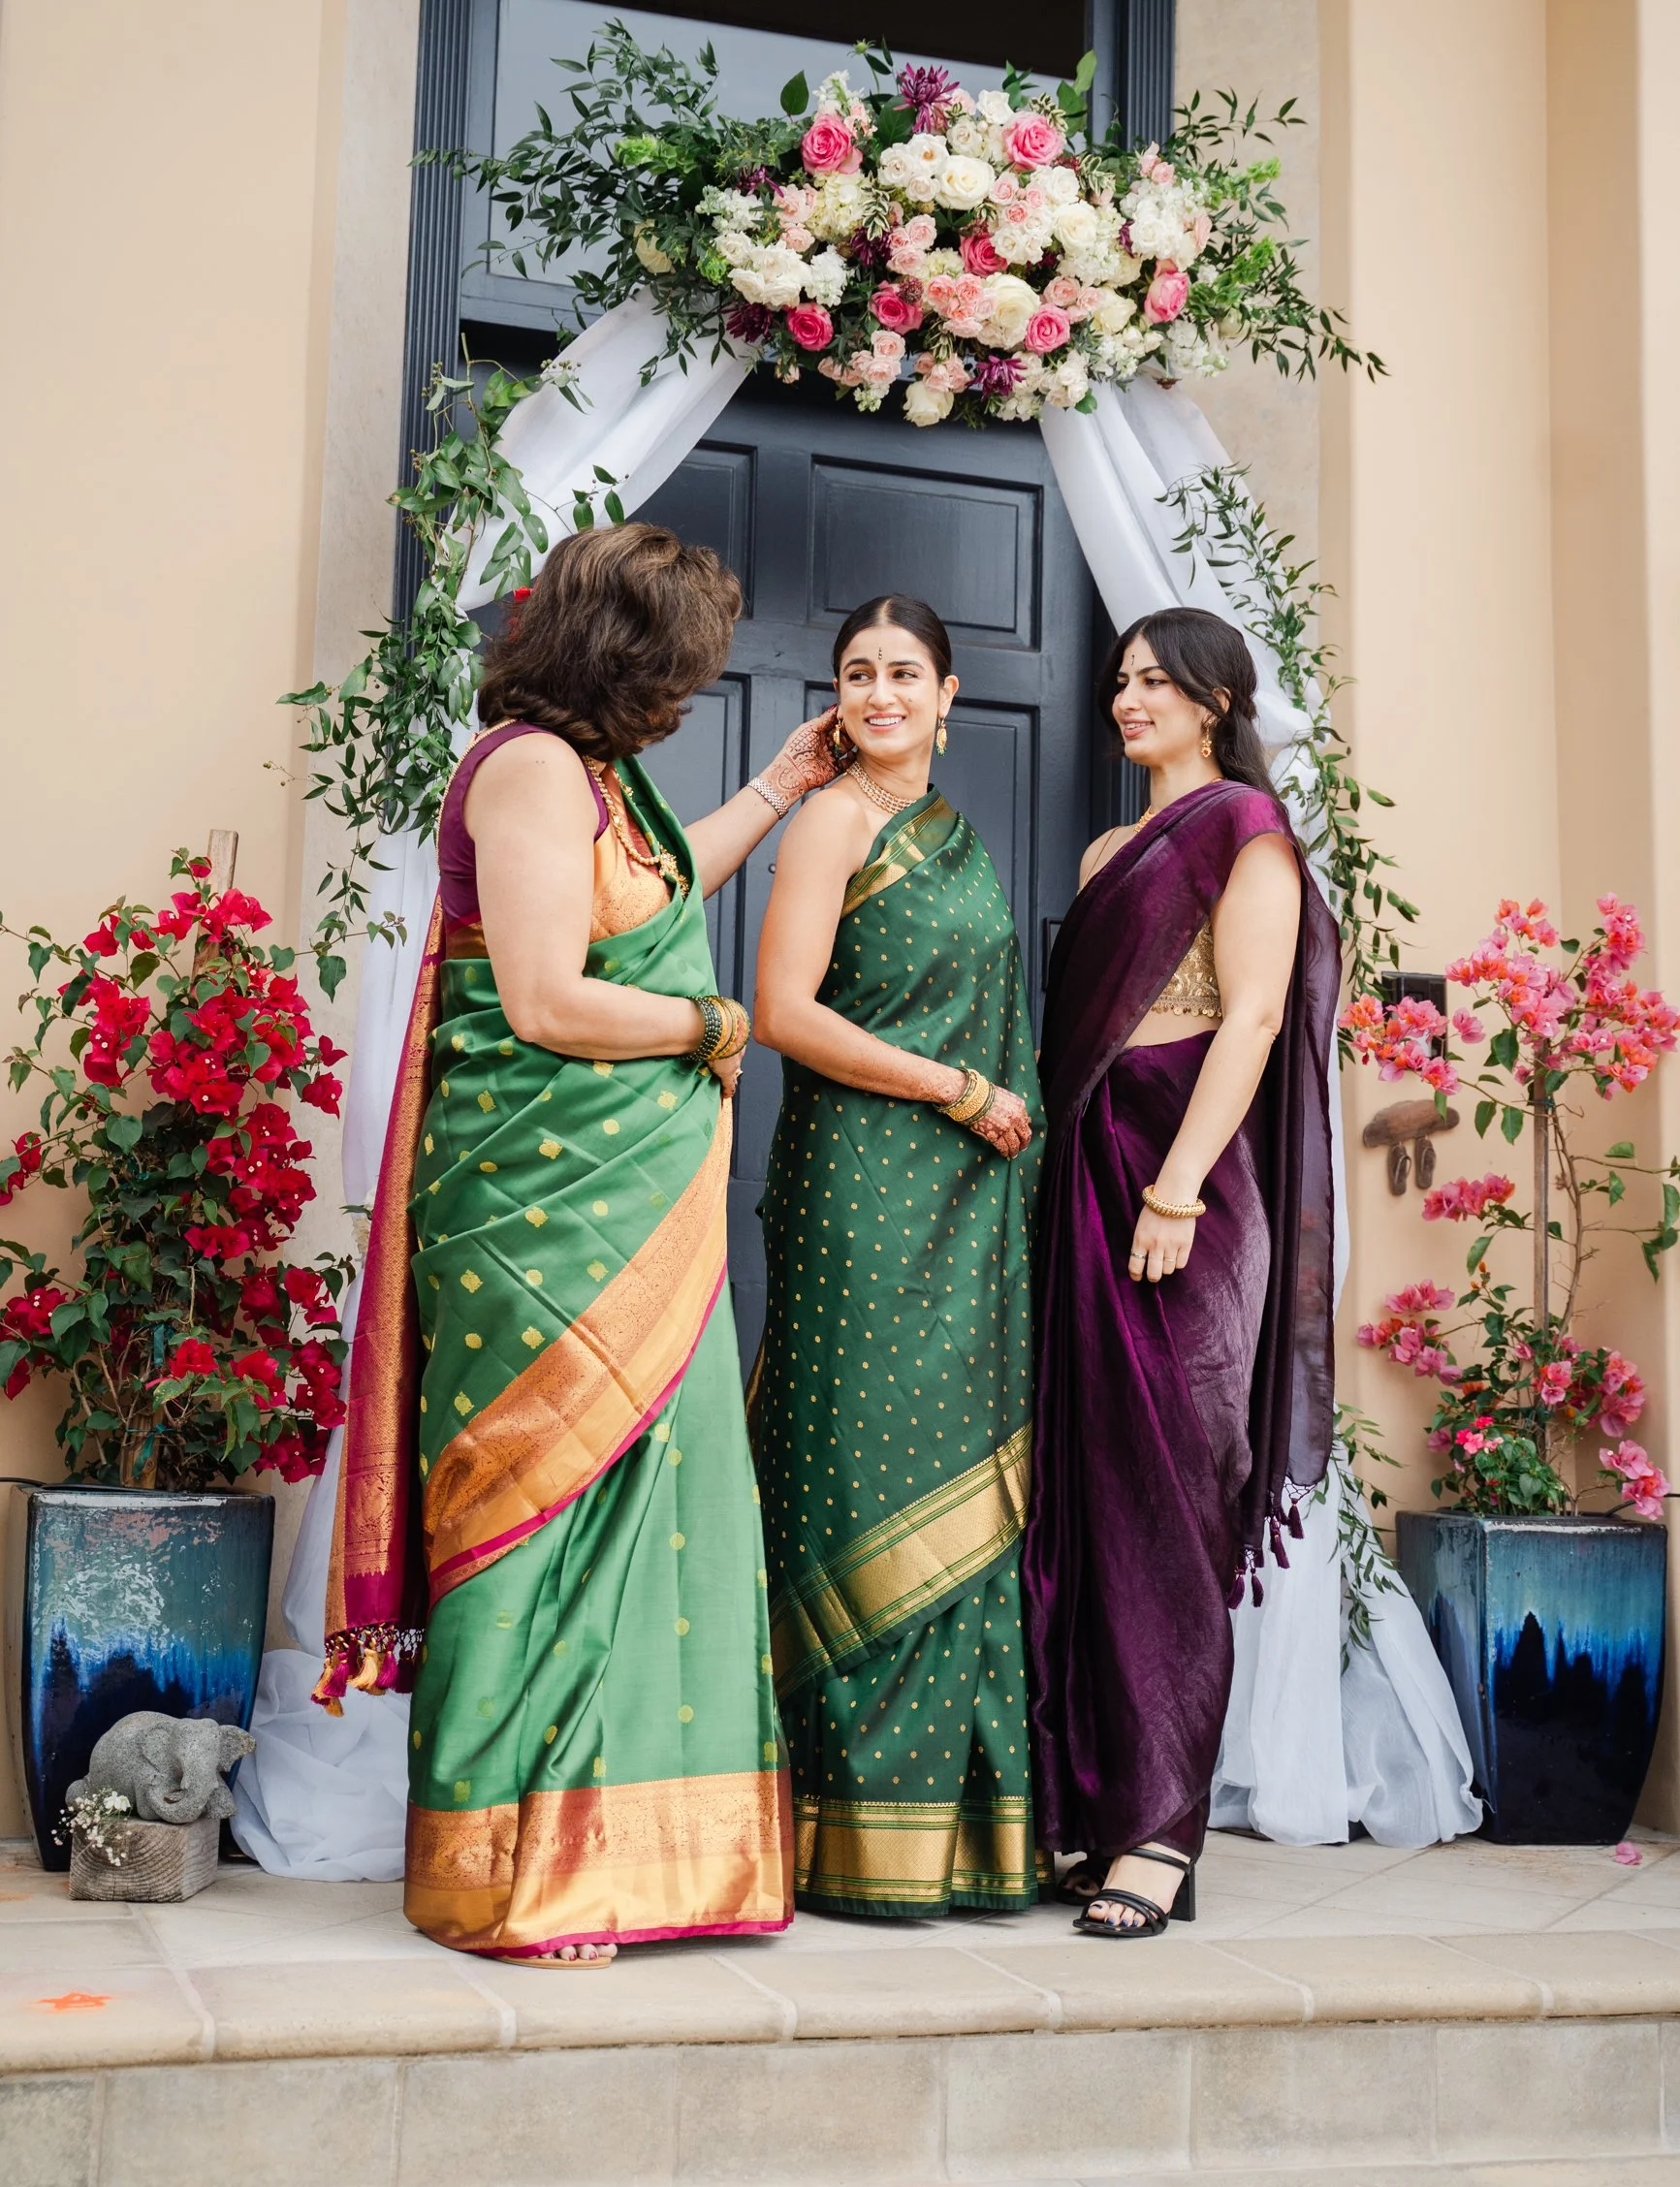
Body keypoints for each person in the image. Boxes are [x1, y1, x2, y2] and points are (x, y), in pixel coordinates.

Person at [318, 522, 844, 1962]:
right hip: (532, 1216)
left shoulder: (600, 780)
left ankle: (628, 1862)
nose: (684, 698)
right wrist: (714, 1023)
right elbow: (548, 999)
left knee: (640, 1514)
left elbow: (648, 902)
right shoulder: (533, 771)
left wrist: (777, 789)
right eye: (679, 672)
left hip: (630, 1209)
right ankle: (497, 1875)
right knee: (533, 1502)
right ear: (625, 658)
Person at [1023, 606, 1341, 1938]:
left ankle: (1161, 1834)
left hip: (1186, 1185)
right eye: (1123, 679)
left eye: (1157, 681)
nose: (1129, 699)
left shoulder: (1247, 832)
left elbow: (1253, 1016)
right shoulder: (1110, 851)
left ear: (1215, 701)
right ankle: (1097, 1808)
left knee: (1170, 1497)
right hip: (1088, 1165)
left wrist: (1176, 1188)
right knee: (1087, 1493)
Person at [750, 595, 1041, 1918]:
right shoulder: (832, 822)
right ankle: (835, 1822)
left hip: (967, 1201)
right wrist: (955, 1090)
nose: (880, 693)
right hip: (865, 1190)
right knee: (857, 1470)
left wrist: (983, 1116)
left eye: (904, 673)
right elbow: (781, 1012)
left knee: (955, 1467)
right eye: (859, 673)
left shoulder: (955, 836)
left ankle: (959, 1836)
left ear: (948, 694)